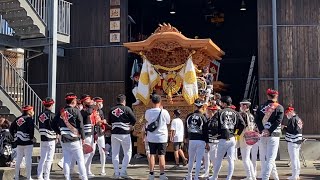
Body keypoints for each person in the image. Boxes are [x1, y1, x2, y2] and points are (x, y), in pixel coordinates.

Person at [52, 93, 87, 180]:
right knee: (80, 161)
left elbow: (52, 124)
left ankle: (67, 178)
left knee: (67, 160)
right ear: (74, 101)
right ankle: (84, 178)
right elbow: (81, 126)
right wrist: (83, 138)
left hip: (64, 139)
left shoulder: (61, 111)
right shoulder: (76, 111)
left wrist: (59, 132)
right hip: (75, 139)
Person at [209, 96, 245, 180]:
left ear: (224, 103)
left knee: (219, 159)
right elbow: (242, 124)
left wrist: (216, 133)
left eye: (221, 102)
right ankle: (228, 178)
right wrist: (237, 133)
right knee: (231, 160)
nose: (220, 104)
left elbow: (213, 124)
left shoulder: (220, 112)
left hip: (223, 138)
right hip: (232, 138)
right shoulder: (236, 113)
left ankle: (214, 177)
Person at [254, 89, 284, 180]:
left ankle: (276, 177)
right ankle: (265, 178)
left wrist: (262, 130)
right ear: (276, 96)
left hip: (263, 135)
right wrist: (270, 130)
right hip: (274, 135)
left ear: (268, 96)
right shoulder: (279, 107)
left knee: (265, 158)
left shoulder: (261, 106)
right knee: (271, 158)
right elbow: (278, 121)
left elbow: (257, 119)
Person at [108, 94, 136, 179]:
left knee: (115, 153)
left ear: (117, 101)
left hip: (114, 134)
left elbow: (109, 122)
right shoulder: (127, 109)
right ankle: (123, 171)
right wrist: (131, 125)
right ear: (124, 101)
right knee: (127, 153)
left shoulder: (111, 109)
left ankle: (116, 173)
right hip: (125, 134)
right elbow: (134, 119)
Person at [145, 94, 170, 180]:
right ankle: (162, 174)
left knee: (152, 154)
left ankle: (151, 174)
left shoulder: (148, 112)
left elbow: (147, 120)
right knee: (161, 155)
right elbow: (168, 121)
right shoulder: (164, 112)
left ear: (152, 101)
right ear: (160, 102)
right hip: (162, 137)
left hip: (151, 136)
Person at [184, 98, 210, 180]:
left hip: (191, 139)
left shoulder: (189, 116)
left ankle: (189, 175)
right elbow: (206, 131)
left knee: (191, 159)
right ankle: (196, 177)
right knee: (199, 159)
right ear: (202, 106)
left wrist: (186, 137)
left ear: (195, 106)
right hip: (201, 140)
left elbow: (186, 128)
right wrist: (207, 142)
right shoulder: (203, 117)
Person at [9, 105, 35, 180]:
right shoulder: (29, 119)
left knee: (18, 159)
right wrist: (30, 137)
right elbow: (31, 131)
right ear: (29, 111)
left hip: (19, 142)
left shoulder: (17, 119)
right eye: (32, 110)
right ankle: (28, 177)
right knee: (28, 160)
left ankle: (16, 176)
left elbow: (11, 128)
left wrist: (15, 136)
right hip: (28, 143)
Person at [37, 97, 57, 180]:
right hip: (51, 138)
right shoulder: (52, 115)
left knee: (42, 158)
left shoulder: (40, 115)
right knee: (49, 159)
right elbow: (55, 127)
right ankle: (46, 176)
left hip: (43, 138)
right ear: (51, 104)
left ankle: (39, 175)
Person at [282, 105, 303, 180]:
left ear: (290, 112)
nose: (287, 115)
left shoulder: (292, 119)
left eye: (287, 113)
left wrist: (283, 128)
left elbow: (290, 131)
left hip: (292, 141)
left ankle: (294, 175)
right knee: (296, 158)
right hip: (298, 140)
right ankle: (297, 174)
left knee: (293, 158)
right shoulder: (298, 118)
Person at [239, 99, 257, 180]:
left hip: (245, 137)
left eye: (242, 105)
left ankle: (249, 176)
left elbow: (241, 126)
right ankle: (252, 175)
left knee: (245, 158)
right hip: (251, 137)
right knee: (248, 158)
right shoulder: (251, 115)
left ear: (245, 106)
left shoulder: (244, 115)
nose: (240, 107)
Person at [201, 105, 219, 178]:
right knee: (206, 157)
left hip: (214, 141)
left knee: (213, 158)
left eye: (208, 111)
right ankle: (206, 172)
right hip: (208, 141)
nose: (206, 112)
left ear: (211, 111)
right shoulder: (208, 120)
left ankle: (215, 174)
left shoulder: (216, 120)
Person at [80, 94, 96, 177]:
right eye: (87, 99)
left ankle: (86, 170)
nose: (90, 100)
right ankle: (82, 172)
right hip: (86, 134)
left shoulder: (89, 109)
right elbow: (89, 112)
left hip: (91, 133)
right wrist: (91, 105)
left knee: (91, 153)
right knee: (86, 153)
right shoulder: (83, 110)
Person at [93, 97, 107, 176]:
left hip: (101, 133)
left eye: (101, 103)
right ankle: (87, 169)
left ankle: (103, 168)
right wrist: (101, 121)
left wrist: (103, 123)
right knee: (92, 151)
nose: (100, 105)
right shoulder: (91, 111)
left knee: (102, 151)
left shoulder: (101, 111)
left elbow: (102, 121)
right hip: (93, 133)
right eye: (99, 103)